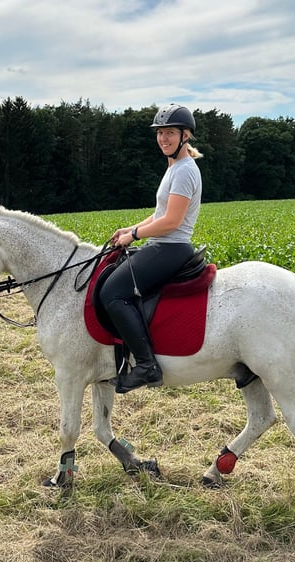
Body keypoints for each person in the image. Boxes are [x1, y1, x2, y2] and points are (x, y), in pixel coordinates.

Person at [100, 103, 204, 394]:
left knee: (113, 292)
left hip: (171, 248)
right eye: (160, 133)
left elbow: (171, 222)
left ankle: (146, 365)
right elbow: (160, 214)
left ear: (185, 136)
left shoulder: (184, 171)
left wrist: (134, 234)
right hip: (164, 245)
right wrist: (130, 228)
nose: (163, 139)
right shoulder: (174, 167)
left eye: (170, 133)